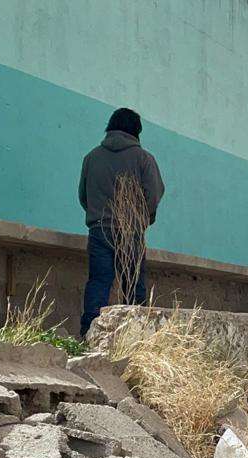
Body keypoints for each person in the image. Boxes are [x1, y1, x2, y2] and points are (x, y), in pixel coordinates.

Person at [78, 108, 165, 336]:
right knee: (133, 286)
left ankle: (89, 333)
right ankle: (133, 336)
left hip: (99, 230)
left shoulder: (91, 157)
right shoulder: (144, 159)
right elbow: (154, 194)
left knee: (98, 282)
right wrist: (142, 219)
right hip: (131, 232)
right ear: (137, 132)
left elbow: (83, 195)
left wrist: (98, 215)